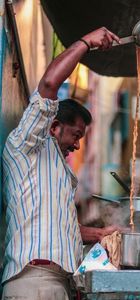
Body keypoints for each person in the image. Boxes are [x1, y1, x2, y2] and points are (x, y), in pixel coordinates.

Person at [1, 27, 121, 299]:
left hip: (56, 283)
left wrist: (103, 233)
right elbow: (48, 86)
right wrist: (85, 43)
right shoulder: (26, 146)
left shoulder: (57, 168)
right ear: (54, 126)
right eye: (76, 135)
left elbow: (60, 227)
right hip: (34, 284)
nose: (77, 145)